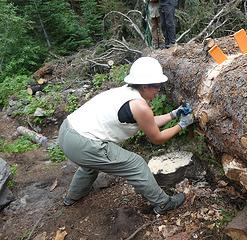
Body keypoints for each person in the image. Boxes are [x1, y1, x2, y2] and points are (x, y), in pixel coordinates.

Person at [58, 57, 194, 215]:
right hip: (82, 143)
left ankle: (72, 197)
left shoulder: (126, 92)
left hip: (67, 133)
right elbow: (157, 138)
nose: (159, 89)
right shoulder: (140, 106)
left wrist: (173, 114)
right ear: (144, 85)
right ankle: (163, 203)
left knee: (89, 166)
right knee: (135, 164)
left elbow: (148, 122)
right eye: (157, 86)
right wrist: (182, 125)